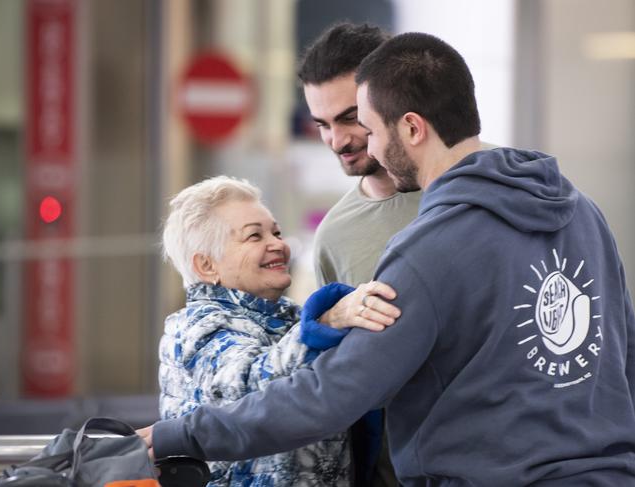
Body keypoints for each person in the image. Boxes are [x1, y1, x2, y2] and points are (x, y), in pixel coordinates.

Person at [139, 33, 635, 486]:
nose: (357, 146)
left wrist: (176, 436)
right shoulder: (581, 212)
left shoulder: (429, 250)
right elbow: (622, 354)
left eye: (368, 127)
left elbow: (329, 397)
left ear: (413, 128)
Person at [157, 175, 400, 486]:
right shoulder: (195, 328)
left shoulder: (291, 320)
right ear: (207, 266)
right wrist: (325, 324)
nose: (278, 245)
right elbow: (253, 384)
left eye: (276, 231)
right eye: (254, 236)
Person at [298, 22, 418, 487]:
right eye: (322, 124)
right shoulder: (334, 236)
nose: (337, 140)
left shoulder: (475, 188)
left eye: (349, 117)